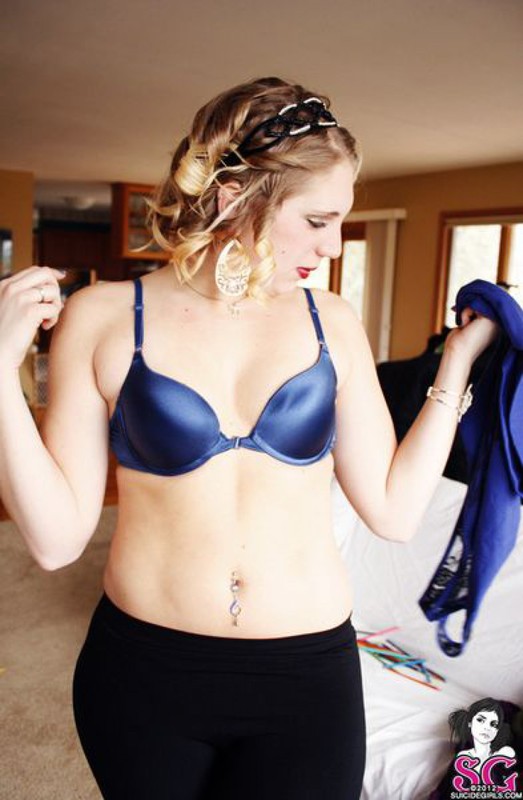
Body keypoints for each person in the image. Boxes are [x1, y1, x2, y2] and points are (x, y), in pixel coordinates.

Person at [0, 77, 499, 800]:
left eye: (340, 222)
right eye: (317, 220)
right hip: (144, 673)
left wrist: (455, 364)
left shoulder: (332, 321)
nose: (332, 246)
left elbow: (393, 512)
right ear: (236, 197)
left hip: (307, 678)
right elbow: (54, 542)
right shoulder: (102, 316)